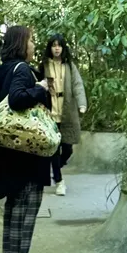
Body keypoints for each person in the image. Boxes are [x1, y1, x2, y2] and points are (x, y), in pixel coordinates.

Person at [0, 24, 51, 253]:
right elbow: (16, 99)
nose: (34, 45)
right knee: (26, 203)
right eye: (31, 41)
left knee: (15, 203)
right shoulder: (22, 69)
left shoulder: (4, 68)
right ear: (21, 44)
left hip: (10, 148)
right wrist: (41, 88)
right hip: (26, 150)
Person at [38, 33, 87, 196]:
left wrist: (81, 104)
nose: (57, 48)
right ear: (50, 48)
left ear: (63, 48)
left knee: (67, 149)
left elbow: (78, 85)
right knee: (54, 148)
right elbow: (36, 84)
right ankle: (59, 181)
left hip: (66, 111)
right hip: (50, 112)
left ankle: (56, 166)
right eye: (54, 45)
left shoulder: (70, 66)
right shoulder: (44, 65)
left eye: (59, 45)